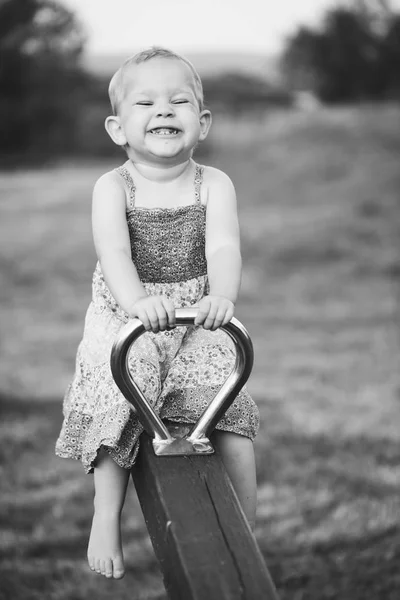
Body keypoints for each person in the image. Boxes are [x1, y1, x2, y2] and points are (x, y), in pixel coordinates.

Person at [55, 46, 259, 580]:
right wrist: (138, 304)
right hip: (127, 309)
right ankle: (106, 515)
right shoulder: (112, 187)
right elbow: (115, 254)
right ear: (118, 128)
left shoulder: (214, 183)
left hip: (194, 312)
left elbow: (223, 248)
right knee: (126, 382)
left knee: (228, 396)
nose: (164, 110)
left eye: (179, 101)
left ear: (203, 121)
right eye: (146, 102)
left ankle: (243, 531)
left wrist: (221, 297)